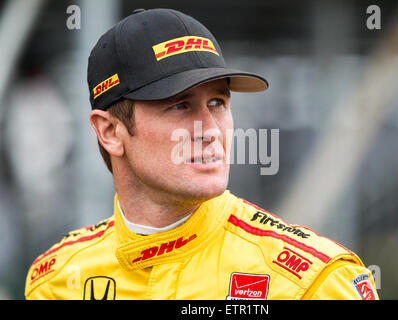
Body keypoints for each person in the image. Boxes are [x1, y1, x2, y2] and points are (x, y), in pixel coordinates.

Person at [25, 8, 378, 300]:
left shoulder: (315, 282)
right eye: (180, 105)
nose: (210, 130)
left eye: (217, 102)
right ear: (110, 132)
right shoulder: (55, 281)